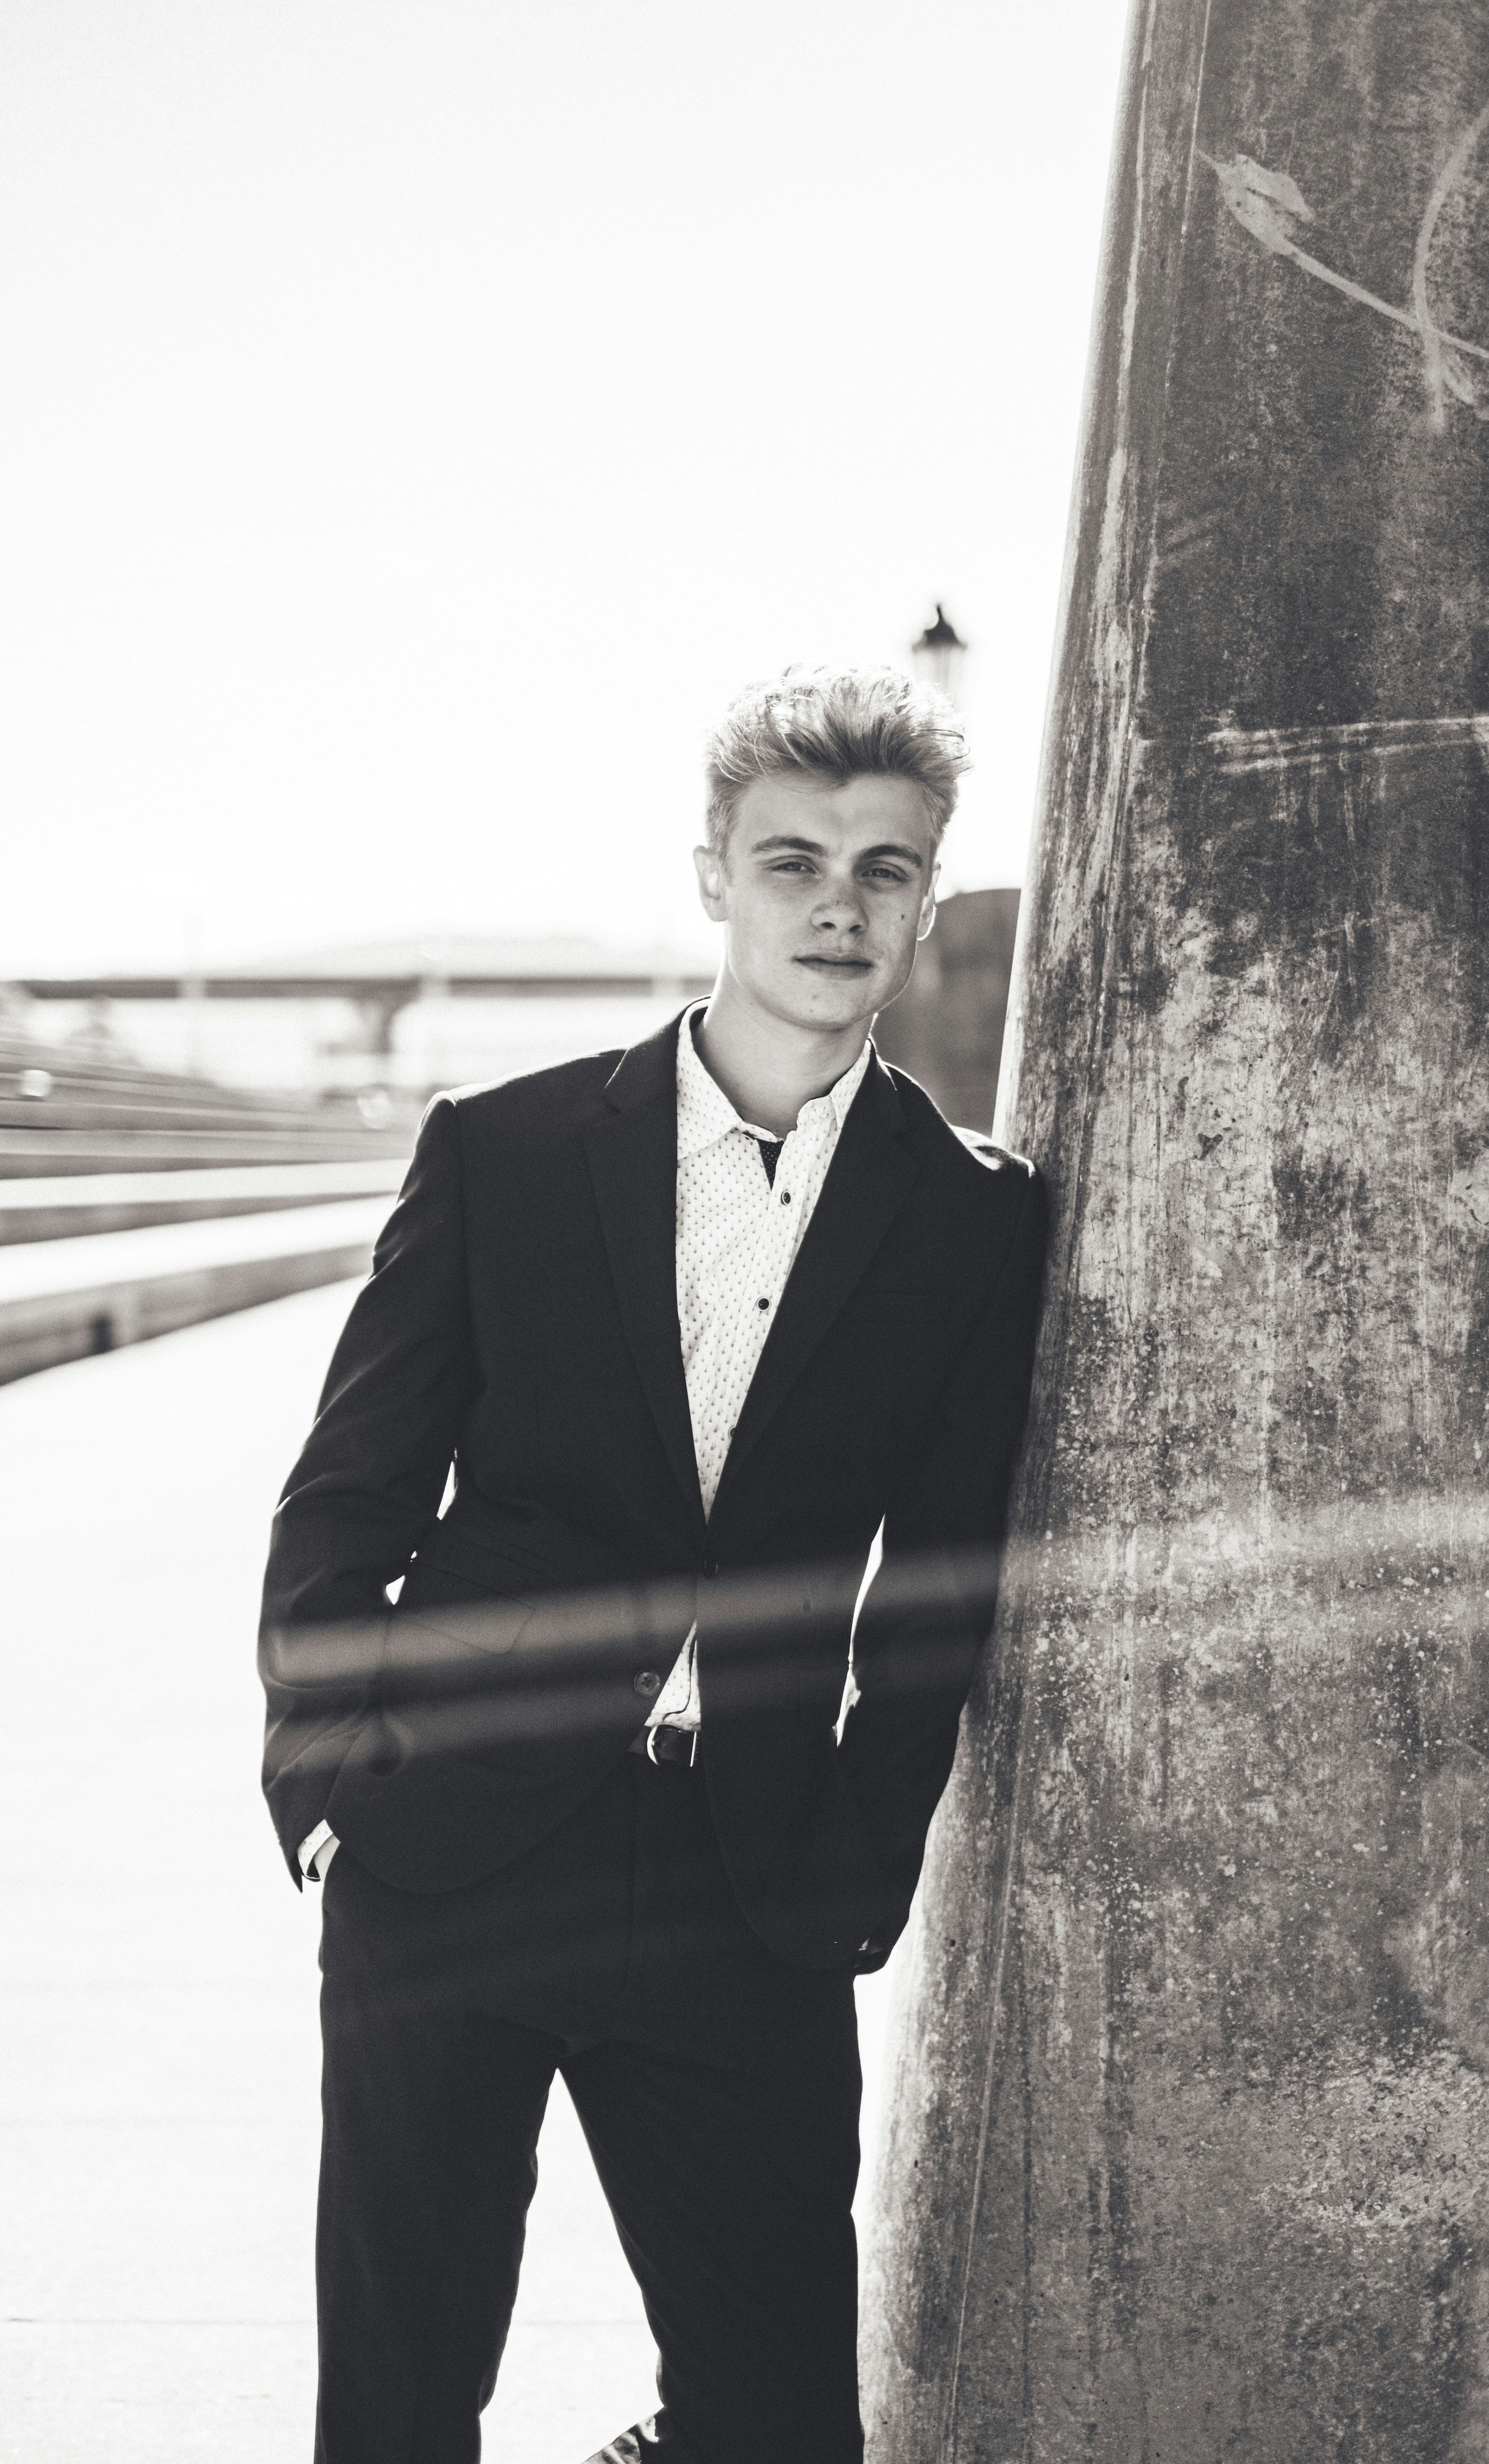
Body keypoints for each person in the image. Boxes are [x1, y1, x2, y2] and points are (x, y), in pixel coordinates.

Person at [258, 664, 1048, 2464]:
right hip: (450, 1852)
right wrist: (324, 1774)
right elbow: (347, 1492)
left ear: (928, 896)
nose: (840, 905)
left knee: (777, 2419)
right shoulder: (509, 1150)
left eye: (887, 868)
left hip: (747, 1883)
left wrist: (865, 1848)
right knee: (399, 2395)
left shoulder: (973, 1215)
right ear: (713, 877)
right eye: (794, 862)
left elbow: (939, 1575)